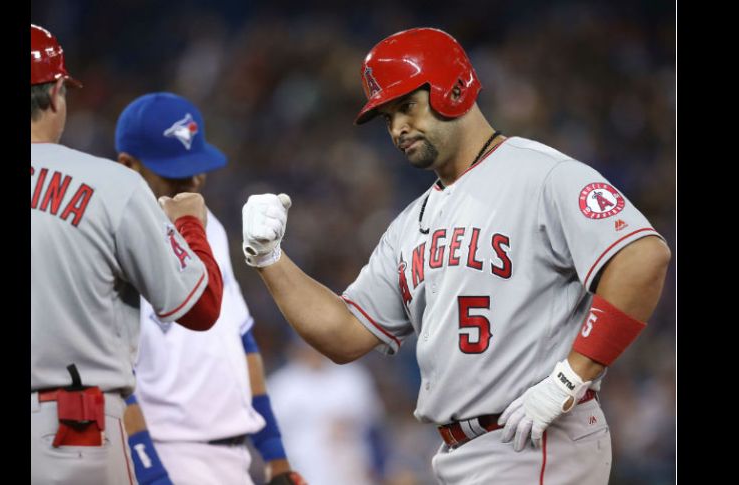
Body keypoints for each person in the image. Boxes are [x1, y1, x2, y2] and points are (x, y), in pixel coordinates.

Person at [240, 27, 671, 485]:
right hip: (461, 452)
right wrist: (269, 258)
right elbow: (344, 335)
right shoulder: (410, 224)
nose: (397, 128)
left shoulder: (542, 174)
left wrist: (573, 375)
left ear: (454, 86)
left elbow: (642, 257)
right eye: (387, 117)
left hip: (535, 437)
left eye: (407, 106)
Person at [31, 26, 223, 485]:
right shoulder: (109, 184)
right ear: (56, 93)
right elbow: (201, 307)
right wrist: (190, 224)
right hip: (72, 431)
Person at [114, 92, 305, 485]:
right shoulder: (111, 236)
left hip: (233, 458)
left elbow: (241, 341)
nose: (195, 182)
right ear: (128, 166)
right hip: (167, 452)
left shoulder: (208, 226)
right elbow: (111, 373)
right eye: (177, 175)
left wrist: (275, 456)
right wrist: (149, 473)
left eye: (197, 169)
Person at [268, 338, 389, 485]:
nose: (313, 351)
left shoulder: (352, 376)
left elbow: (374, 419)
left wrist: (349, 422)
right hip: (303, 468)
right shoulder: (282, 385)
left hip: (349, 468)